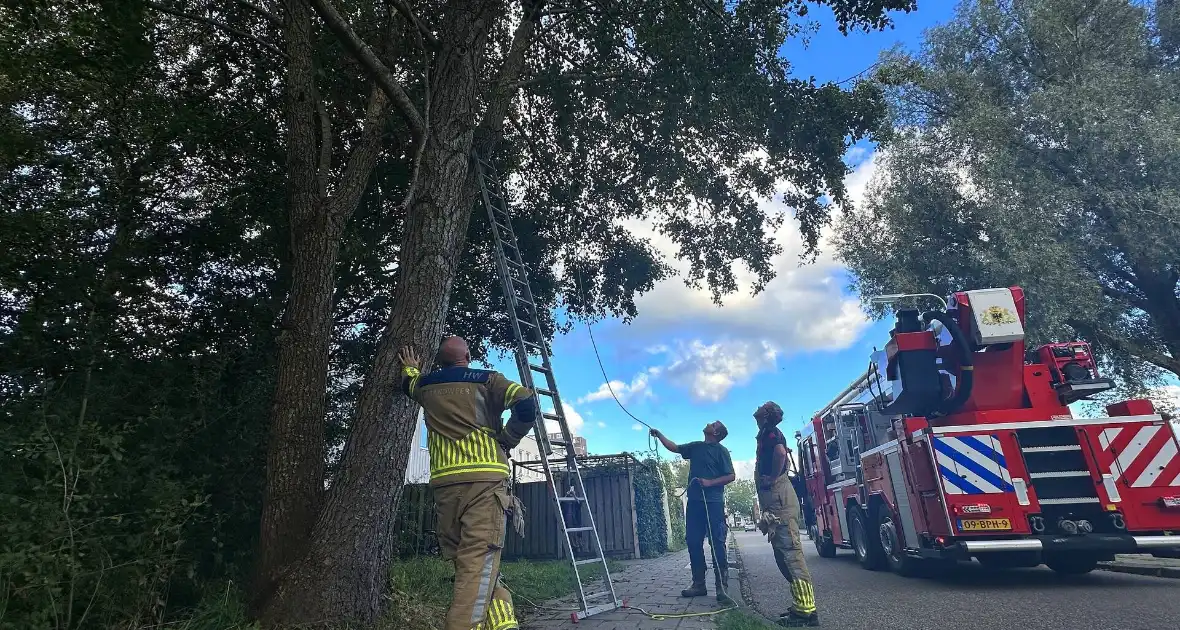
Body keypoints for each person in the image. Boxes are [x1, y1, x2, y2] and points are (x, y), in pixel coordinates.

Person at [399, 337, 536, 630]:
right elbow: (525, 404)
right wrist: (508, 439)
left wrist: (411, 370)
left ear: (440, 362)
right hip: (485, 482)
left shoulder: (425, 386)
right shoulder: (489, 380)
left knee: (471, 565)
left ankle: (502, 624)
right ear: (468, 355)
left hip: (445, 485)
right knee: (479, 560)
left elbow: (408, 385)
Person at [650, 422, 736, 605]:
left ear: (716, 432)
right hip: (695, 503)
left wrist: (710, 483)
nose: (708, 424)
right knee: (692, 541)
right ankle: (699, 584)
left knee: (717, 542)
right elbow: (675, 448)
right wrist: (659, 434)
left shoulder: (722, 451)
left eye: (713, 424)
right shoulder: (696, 446)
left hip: (713, 503)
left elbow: (731, 476)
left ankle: (722, 588)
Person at [754, 401, 819, 627]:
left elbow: (781, 452)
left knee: (791, 554)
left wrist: (771, 478)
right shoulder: (766, 434)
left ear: (767, 414)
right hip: (776, 501)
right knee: (783, 555)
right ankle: (801, 605)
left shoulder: (772, 434)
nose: (758, 407)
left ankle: (806, 613)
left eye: (762, 406)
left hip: (779, 499)